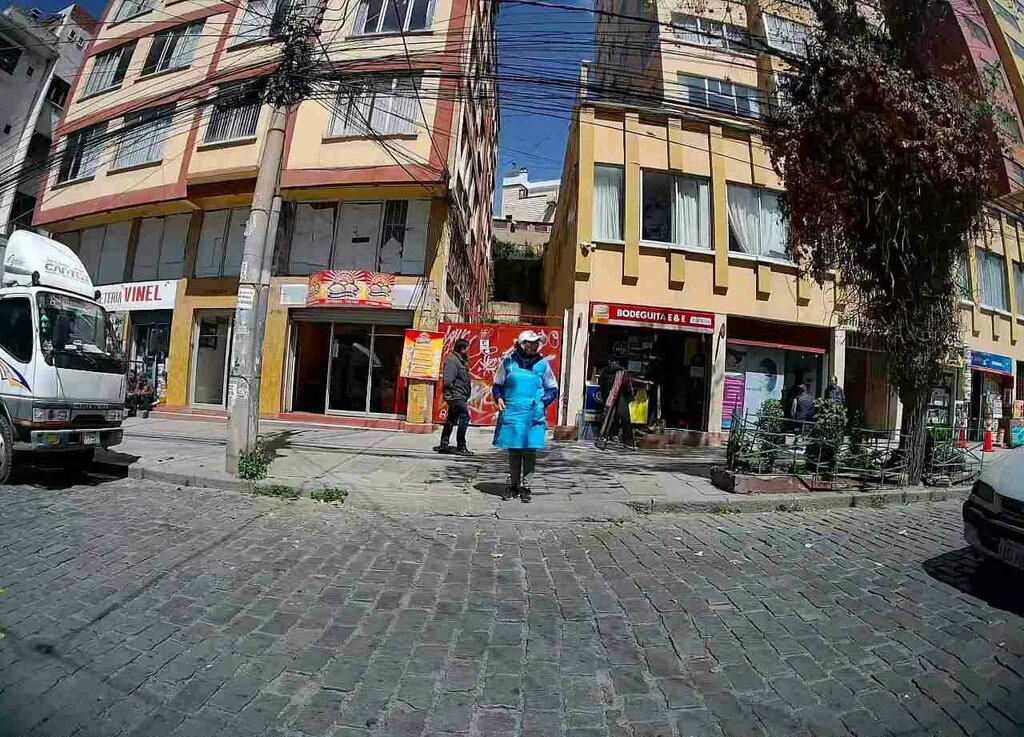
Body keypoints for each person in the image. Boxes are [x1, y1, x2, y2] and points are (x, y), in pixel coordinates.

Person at [492, 330, 559, 503]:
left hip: (533, 414)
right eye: (531, 343)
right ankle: (513, 486)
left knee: (530, 450)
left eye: (536, 343)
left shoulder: (543, 364)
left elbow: (552, 388)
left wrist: (543, 402)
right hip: (512, 413)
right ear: (522, 344)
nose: (534, 345)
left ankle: (526, 487)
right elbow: (497, 384)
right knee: (514, 451)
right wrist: (498, 398)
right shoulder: (508, 362)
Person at [435, 338, 473, 455]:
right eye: (467, 348)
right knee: (464, 417)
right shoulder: (453, 361)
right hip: (456, 396)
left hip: (460, 394)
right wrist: (451, 395)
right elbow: (448, 381)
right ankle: (461, 446)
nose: (469, 351)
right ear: (462, 349)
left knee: (451, 419)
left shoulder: (461, 360)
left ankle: (444, 444)